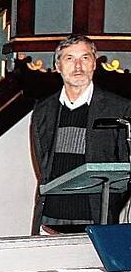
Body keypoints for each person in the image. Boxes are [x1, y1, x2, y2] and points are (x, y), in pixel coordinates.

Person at [31, 34, 131, 234]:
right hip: (50, 219)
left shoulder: (120, 108)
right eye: (69, 58)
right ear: (58, 66)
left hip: (96, 221)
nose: (78, 66)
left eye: (85, 58)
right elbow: (41, 164)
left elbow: (125, 169)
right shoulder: (43, 110)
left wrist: (108, 204)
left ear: (94, 63)